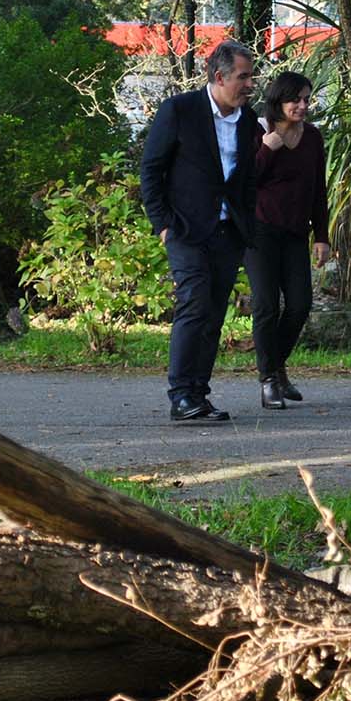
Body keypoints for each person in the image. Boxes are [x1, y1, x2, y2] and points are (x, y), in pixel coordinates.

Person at [140, 39, 258, 422]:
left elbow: (246, 178)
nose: (250, 84)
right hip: (186, 230)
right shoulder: (180, 110)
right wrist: (162, 225)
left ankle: (197, 393)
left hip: (228, 232)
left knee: (213, 312)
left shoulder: (249, 120)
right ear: (219, 76)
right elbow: (151, 170)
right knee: (193, 303)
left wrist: (247, 221)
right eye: (243, 77)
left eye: (251, 76)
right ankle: (180, 394)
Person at [245, 71, 330, 409]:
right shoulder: (259, 131)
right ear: (278, 101)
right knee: (266, 304)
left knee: (299, 304)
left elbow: (318, 191)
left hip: (296, 232)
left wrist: (321, 236)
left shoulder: (312, 137)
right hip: (260, 231)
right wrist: (267, 150)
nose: (302, 105)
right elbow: (246, 180)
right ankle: (268, 380)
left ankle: (277, 367)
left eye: (307, 99)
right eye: (296, 99)